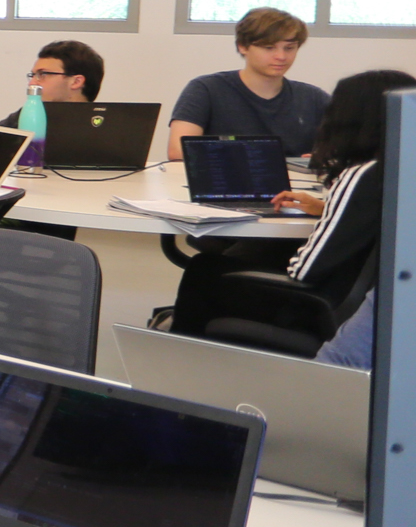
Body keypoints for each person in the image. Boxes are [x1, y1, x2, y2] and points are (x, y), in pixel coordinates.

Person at [171, 67, 413, 335]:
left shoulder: (364, 174)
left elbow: (305, 270)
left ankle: (182, 354)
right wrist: (327, 208)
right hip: (384, 302)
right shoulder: (402, 166)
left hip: (321, 307)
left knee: (204, 269)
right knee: (257, 253)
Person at [170, 7, 329, 162]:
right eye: (269, 48)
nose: (281, 56)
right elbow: (178, 151)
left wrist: (329, 158)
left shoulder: (314, 98)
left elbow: (348, 148)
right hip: (227, 182)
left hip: (297, 185)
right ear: (243, 46)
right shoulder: (205, 89)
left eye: (289, 48)